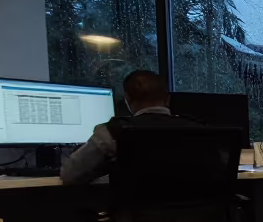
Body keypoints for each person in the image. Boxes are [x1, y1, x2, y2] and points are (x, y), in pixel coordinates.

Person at [60, 70, 192, 185]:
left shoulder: (113, 132)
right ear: (168, 100)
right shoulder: (199, 131)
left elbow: (70, 175)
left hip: (136, 213)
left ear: (127, 100)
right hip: (196, 213)